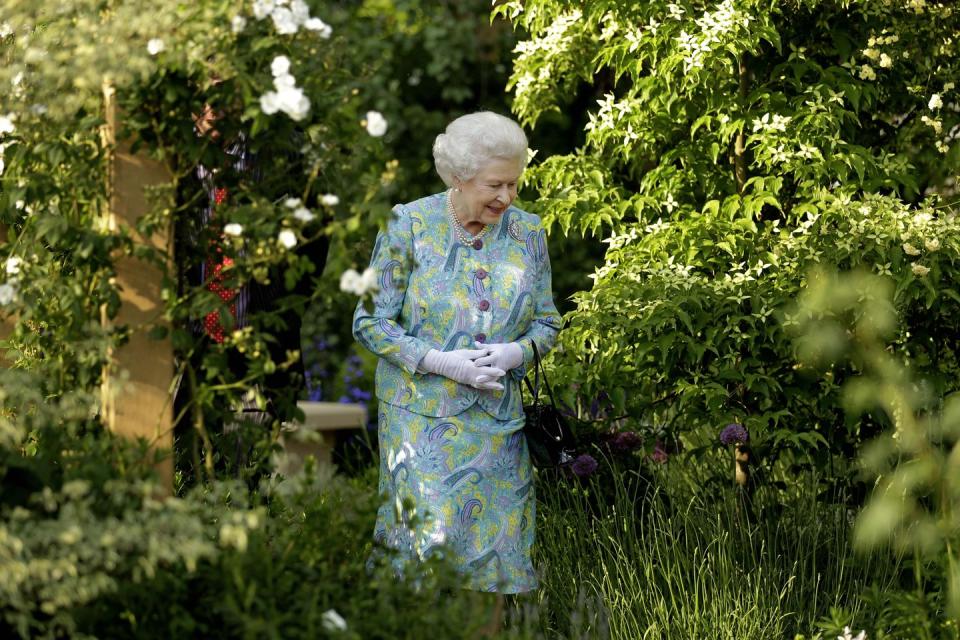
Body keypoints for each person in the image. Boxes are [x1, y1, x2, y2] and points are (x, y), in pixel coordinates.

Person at [353, 111, 562, 593]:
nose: (507, 197)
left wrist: (516, 352)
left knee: (496, 561)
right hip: (421, 423)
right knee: (424, 564)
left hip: (498, 428)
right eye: (495, 184)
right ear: (460, 176)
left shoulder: (528, 233)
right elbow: (369, 322)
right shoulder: (408, 225)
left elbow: (548, 323)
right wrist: (440, 361)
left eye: (514, 184)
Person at [173, 91, 328, 484]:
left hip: (258, 346)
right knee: (180, 475)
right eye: (201, 98)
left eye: (220, 96)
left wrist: (281, 313)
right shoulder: (170, 156)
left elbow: (315, 242)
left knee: (246, 482)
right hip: (184, 350)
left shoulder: (282, 153)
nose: (211, 110)